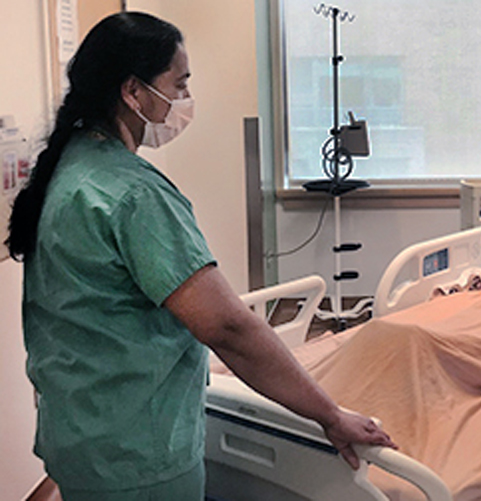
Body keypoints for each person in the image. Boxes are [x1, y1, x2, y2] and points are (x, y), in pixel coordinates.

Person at [4, 12, 394, 500]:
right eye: (179, 84)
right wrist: (330, 416)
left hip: (82, 430)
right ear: (133, 92)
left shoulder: (69, 168)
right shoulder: (132, 194)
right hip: (138, 455)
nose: (184, 100)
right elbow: (228, 327)